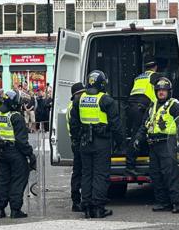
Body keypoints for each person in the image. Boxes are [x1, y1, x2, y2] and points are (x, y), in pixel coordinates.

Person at [70, 70, 125, 219]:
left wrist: (75, 139)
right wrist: (121, 143)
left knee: (87, 174)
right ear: (102, 83)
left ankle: (87, 206)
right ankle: (98, 208)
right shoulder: (106, 100)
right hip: (101, 142)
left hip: (84, 142)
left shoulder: (79, 100)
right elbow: (116, 124)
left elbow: (73, 123)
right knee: (100, 175)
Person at [134, 77, 179, 213]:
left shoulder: (175, 105)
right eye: (159, 90)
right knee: (155, 174)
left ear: (169, 91)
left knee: (170, 174)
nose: (161, 93)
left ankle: (177, 203)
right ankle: (163, 202)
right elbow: (145, 124)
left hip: (167, 143)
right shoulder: (152, 106)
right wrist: (138, 138)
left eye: (164, 90)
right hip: (153, 144)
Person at [0, 90, 36, 219]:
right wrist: (30, 154)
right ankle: (15, 209)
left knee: (3, 180)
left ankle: (0, 209)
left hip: (4, 151)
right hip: (16, 153)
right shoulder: (16, 116)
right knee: (18, 180)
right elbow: (21, 140)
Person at [126, 58, 162, 176]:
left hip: (132, 107)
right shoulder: (155, 77)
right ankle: (130, 165)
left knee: (138, 133)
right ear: (155, 67)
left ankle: (138, 160)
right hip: (142, 108)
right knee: (139, 135)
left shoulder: (139, 77)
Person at [67, 82, 85, 212]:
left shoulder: (70, 106)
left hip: (75, 142)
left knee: (78, 172)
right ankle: (77, 200)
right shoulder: (74, 107)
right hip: (78, 142)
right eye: (82, 93)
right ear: (77, 94)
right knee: (80, 172)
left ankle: (77, 199)